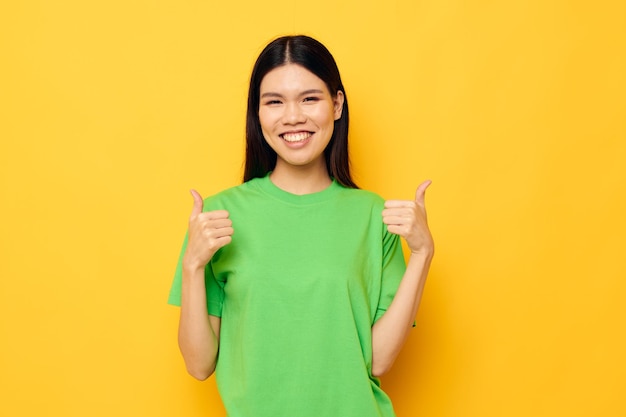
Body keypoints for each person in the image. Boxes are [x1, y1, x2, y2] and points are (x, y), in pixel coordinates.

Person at [168, 35, 434, 417]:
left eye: (309, 98)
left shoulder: (374, 217)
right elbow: (198, 365)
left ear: (337, 104)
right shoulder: (218, 216)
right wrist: (192, 266)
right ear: (257, 114)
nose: (293, 117)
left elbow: (377, 362)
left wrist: (423, 253)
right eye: (274, 102)